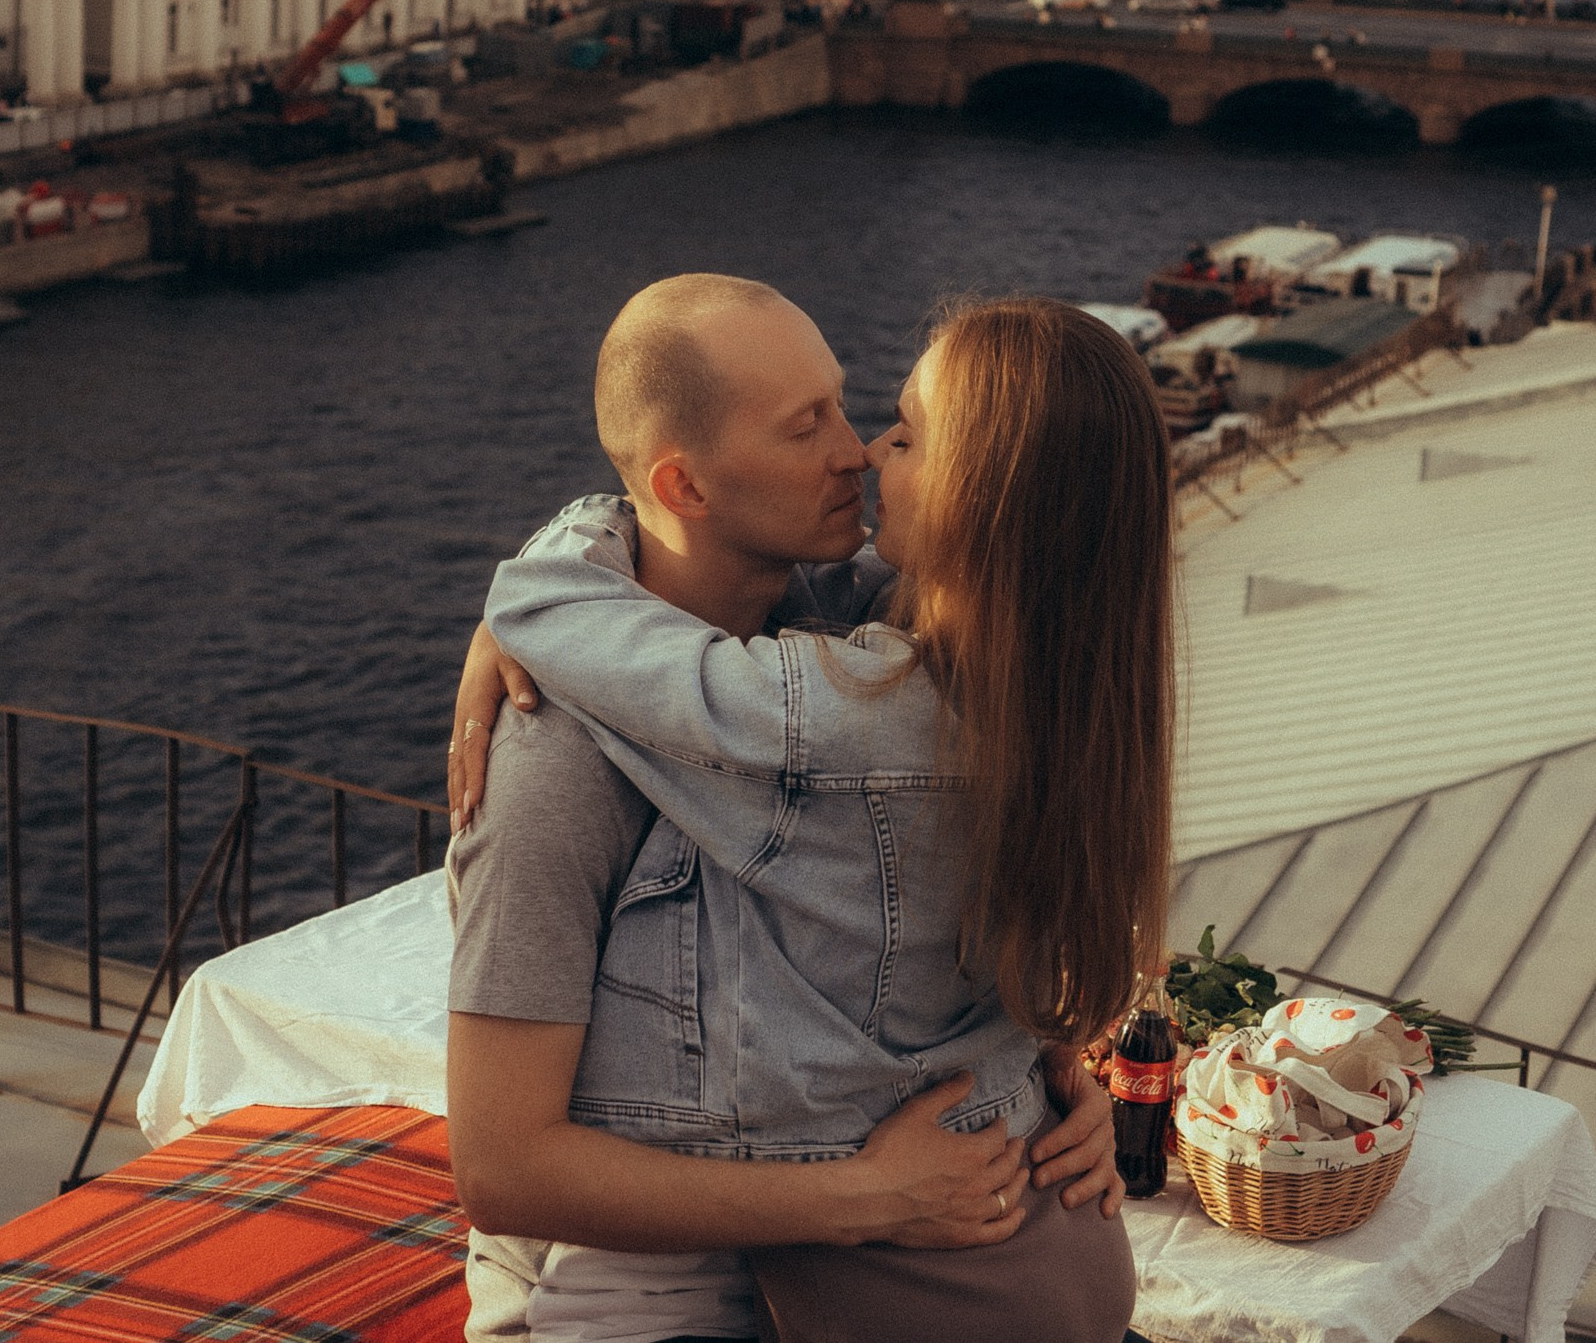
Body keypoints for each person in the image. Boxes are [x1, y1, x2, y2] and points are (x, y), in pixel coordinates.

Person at [445, 277, 1175, 1343]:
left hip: (887, 1271)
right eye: (810, 424)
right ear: (685, 485)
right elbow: (503, 1169)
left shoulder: (852, 668)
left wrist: (1038, 1082)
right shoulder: (556, 753)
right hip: (641, 1292)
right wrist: (876, 1189)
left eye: (870, 416)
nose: (860, 450)